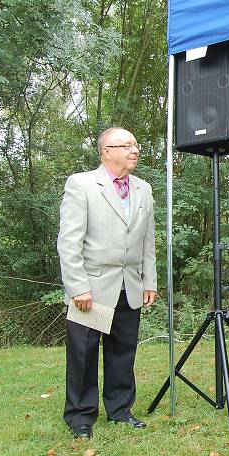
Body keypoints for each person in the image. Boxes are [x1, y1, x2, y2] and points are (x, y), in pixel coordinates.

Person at [57, 127, 157, 439]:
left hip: (130, 285)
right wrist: (78, 287)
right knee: (84, 353)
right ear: (106, 151)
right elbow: (69, 242)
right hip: (93, 288)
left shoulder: (143, 189)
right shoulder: (82, 185)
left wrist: (148, 282)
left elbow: (147, 242)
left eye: (136, 145)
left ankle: (120, 410)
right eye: (126, 145)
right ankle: (80, 417)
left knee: (123, 352)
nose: (134, 150)